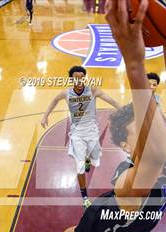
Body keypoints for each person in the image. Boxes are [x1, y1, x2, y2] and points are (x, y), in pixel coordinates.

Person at [30, 0, 166, 232]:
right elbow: (152, 148)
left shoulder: (158, 160)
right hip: (106, 230)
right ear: (126, 144)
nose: (158, 127)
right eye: (143, 127)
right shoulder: (135, 182)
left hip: (100, 212)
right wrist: (134, 67)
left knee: (78, 229)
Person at [41, 66, 121, 208]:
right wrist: (45, 116)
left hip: (92, 131)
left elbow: (111, 100)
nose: (79, 80)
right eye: (76, 77)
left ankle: (88, 158)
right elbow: (54, 100)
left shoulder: (93, 90)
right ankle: (85, 197)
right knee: (80, 167)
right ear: (71, 79)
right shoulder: (66, 93)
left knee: (93, 156)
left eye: (82, 77)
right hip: (77, 133)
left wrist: (124, 110)